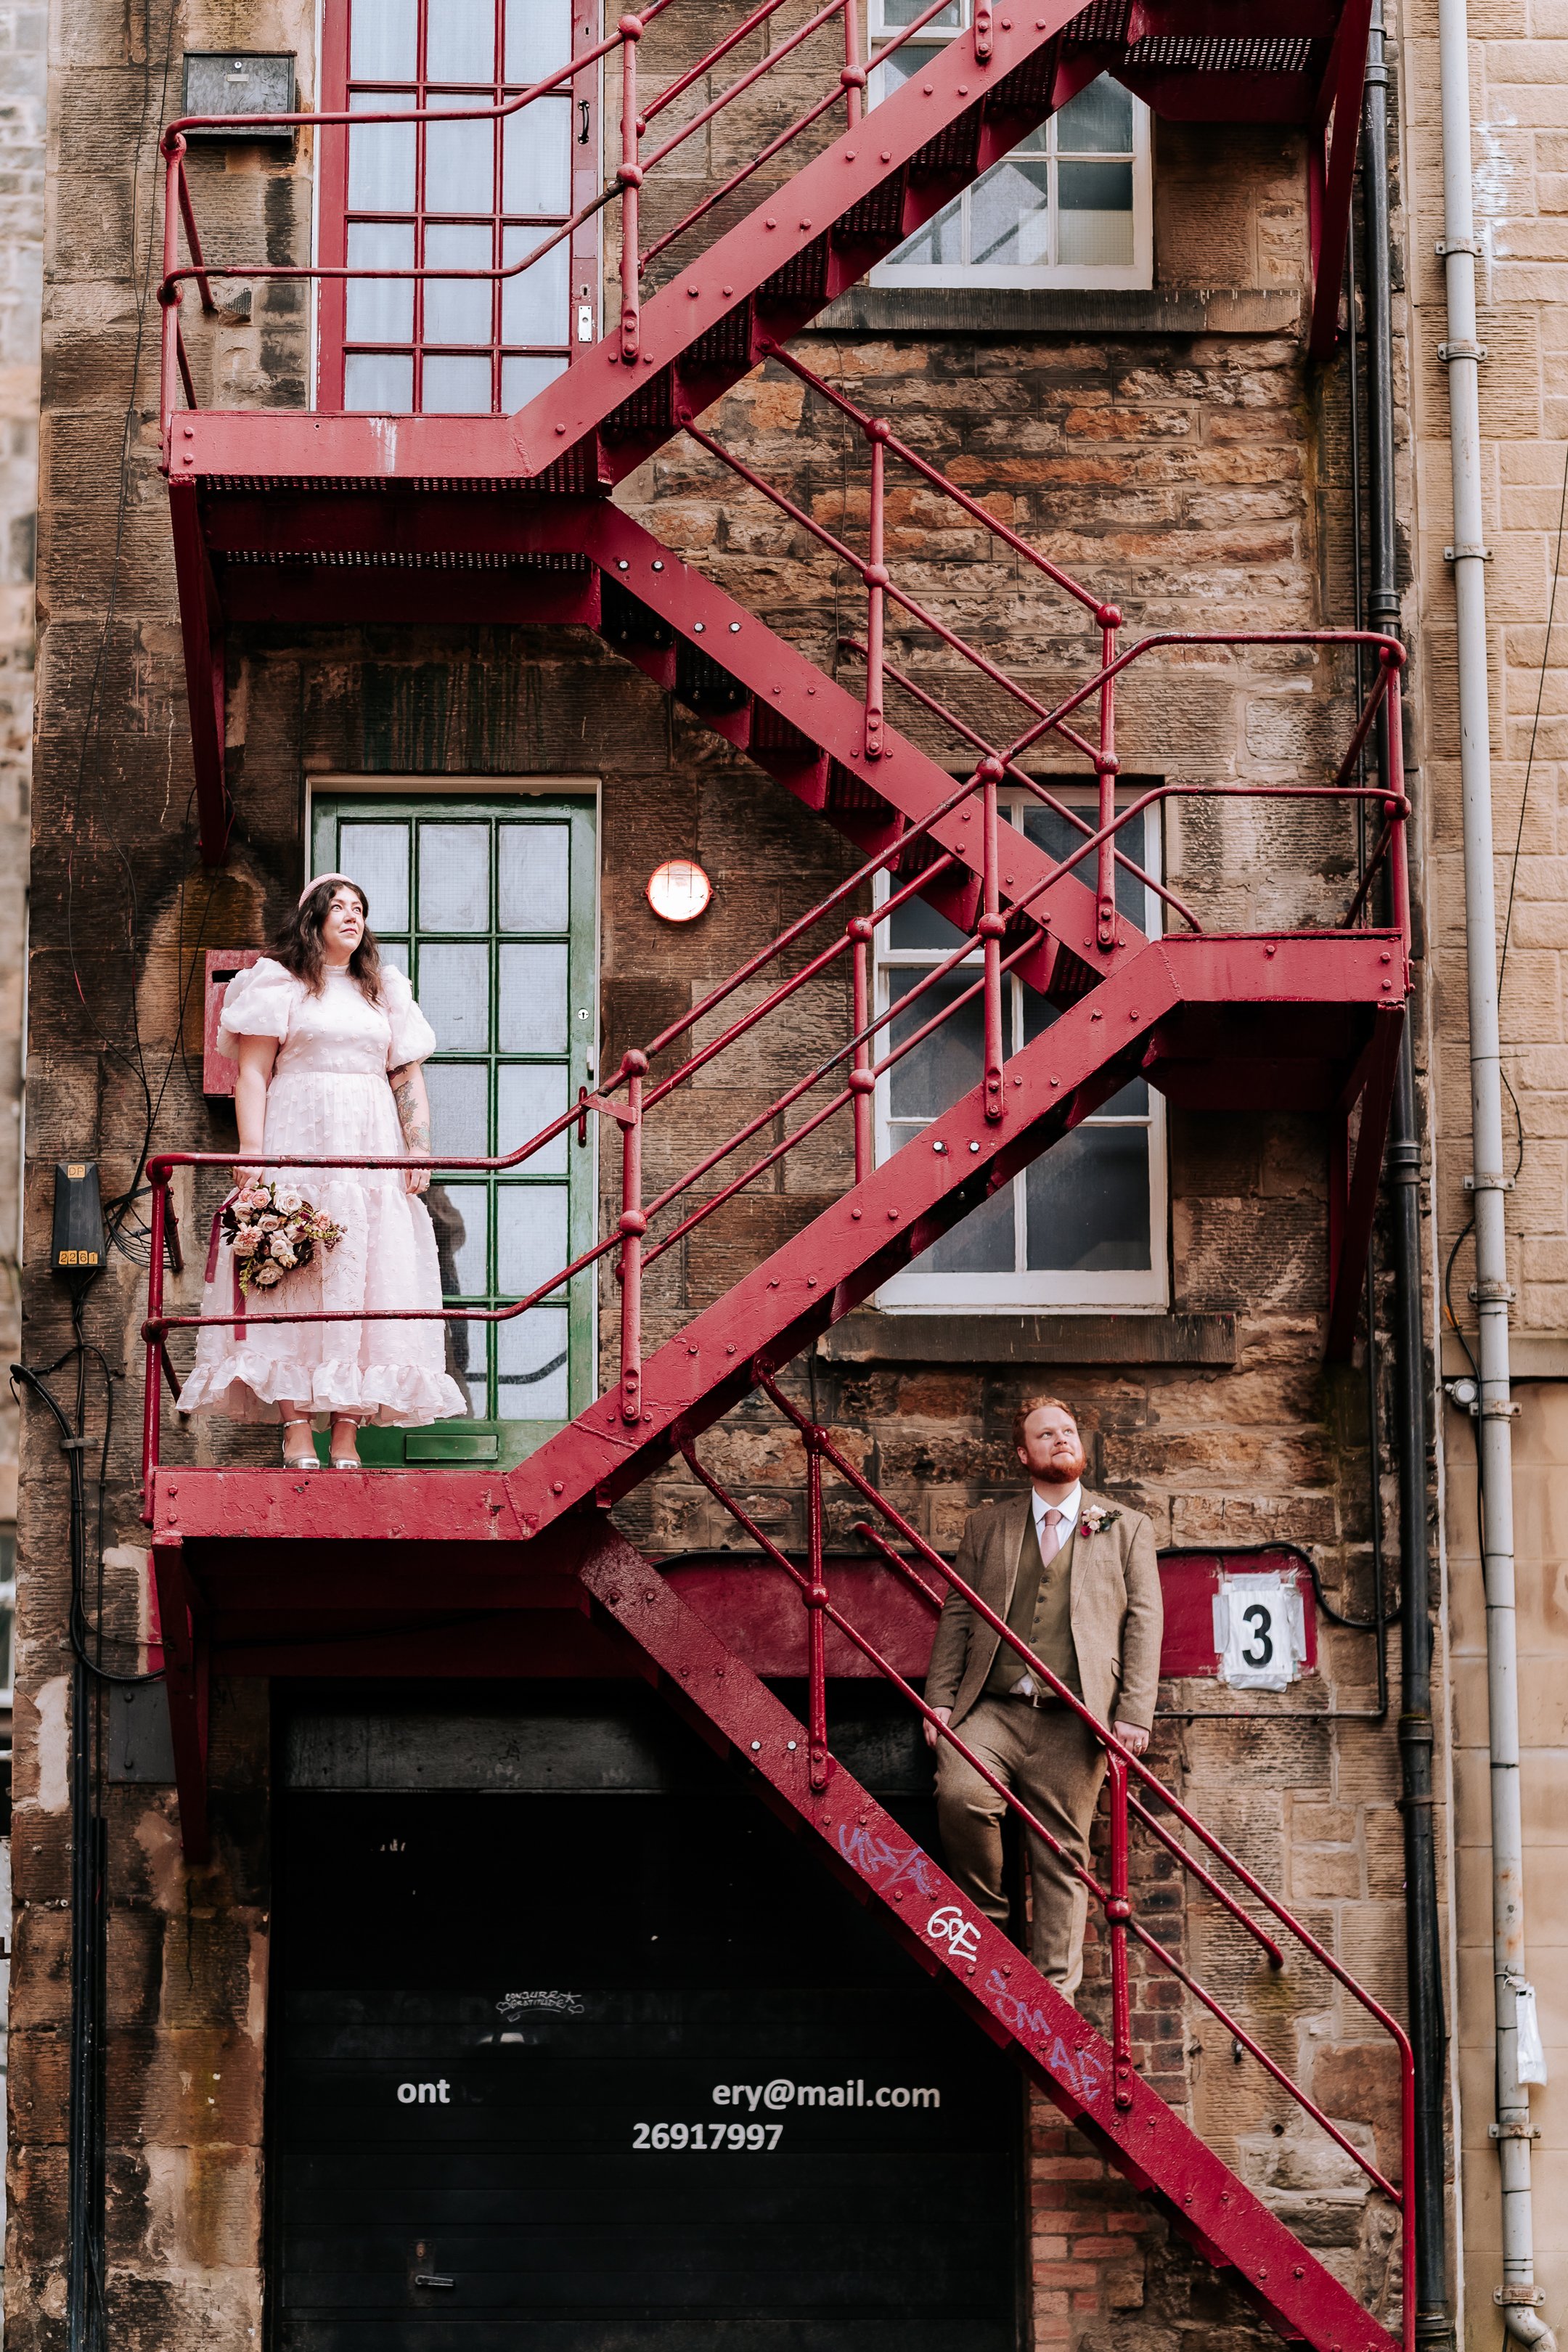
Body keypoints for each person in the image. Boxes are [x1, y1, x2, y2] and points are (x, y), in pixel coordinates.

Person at [176, 874, 470, 1466]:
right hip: (298, 1140)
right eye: (337, 906)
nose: (350, 916)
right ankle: (297, 1429)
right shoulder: (279, 983)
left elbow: (406, 1075)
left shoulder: (383, 989)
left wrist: (418, 1150)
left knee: (368, 1275)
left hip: (370, 1145)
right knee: (293, 1274)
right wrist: (253, 1151)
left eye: (359, 907)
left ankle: (346, 1433)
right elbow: (253, 1073)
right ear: (313, 918)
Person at [923, 1395, 1162, 1995]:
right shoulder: (988, 1526)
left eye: (1069, 1430)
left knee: (1062, 1857)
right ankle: (990, 1926)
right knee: (959, 1793)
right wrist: (942, 1699)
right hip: (993, 1707)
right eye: (1046, 1433)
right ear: (1023, 1454)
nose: (1061, 1439)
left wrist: (1133, 1714)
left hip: (1075, 1717)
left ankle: (1053, 1993)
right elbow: (958, 1613)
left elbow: (1145, 1622)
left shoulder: (1126, 1526)